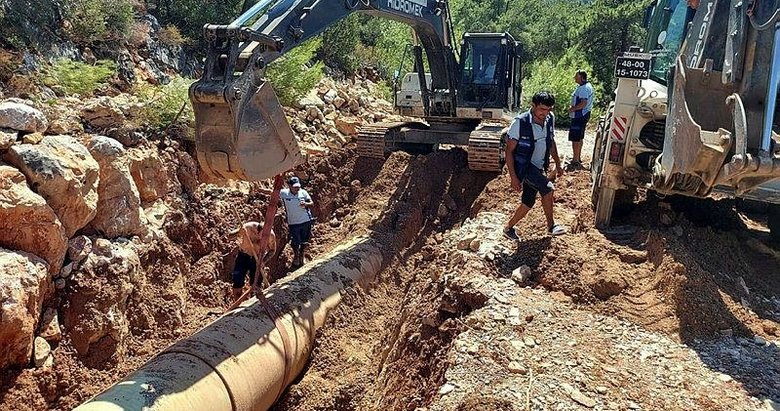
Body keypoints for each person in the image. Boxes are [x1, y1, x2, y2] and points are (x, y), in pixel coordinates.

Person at [503, 91, 567, 241]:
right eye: (542, 109)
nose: (545, 113)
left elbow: (551, 143)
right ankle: (551, 226)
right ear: (533, 106)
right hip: (524, 167)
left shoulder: (550, 119)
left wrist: (557, 164)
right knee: (548, 188)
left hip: (539, 167)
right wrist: (513, 177)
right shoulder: (520, 123)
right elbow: (509, 152)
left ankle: (508, 228)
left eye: (549, 110)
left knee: (528, 202)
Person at [230, 221, 277, 300]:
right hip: (243, 256)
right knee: (237, 280)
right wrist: (240, 231)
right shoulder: (248, 228)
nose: (263, 239)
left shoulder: (271, 235)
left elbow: (272, 250)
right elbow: (229, 236)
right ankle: (238, 303)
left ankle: (254, 302)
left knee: (256, 283)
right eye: (262, 236)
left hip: (258, 258)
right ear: (257, 232)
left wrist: (263, 261)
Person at [280, 176, 314, 267]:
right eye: (295, 187)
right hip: (293, 223)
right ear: (289, 186)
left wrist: (306, 204)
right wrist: (258, 189)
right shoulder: (284, 193)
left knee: (304, 241)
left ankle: (301, 255)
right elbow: (272, 193)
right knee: (295, 241)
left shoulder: (303, 192)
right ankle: (296, 255)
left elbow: (311, 203)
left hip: (306, 220)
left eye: (298, 186)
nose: (297, 188)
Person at [567, 69, 594, 169]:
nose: (574, 78)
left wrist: (572, 109)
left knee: (576, 138)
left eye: (576, 76)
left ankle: (575, 160)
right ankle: (577, 157)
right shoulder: (586, 86)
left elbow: (583, 103)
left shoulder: (583, 88)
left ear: (582, 77)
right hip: (583, 115)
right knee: (579, 137)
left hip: (579, 116)